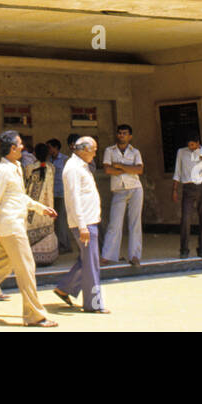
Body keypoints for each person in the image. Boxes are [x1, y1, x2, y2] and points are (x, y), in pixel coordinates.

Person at [0, 131, 58, 327]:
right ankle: (34, 315)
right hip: (11, 227)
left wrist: (40, 208)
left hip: (12, 225)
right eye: (20, 144)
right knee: (27, 268)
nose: (23, 147)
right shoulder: (2, 171)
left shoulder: (14, 167)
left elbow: (19, 197)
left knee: (1, 268)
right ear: (12, 148)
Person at [54, 136, 109, 314]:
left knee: (86, 261)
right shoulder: (72, 168)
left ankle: (65, 288)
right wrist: (82, 225)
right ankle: (93, 304)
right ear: (84, 150)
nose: (95, 153)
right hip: (84, 223)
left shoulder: (81, 166)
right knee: (92, 264)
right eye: (93, 150)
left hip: (90, 220)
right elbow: (73, 198)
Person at [101, 124, 144, 267]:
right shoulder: (109, 150)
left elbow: (139, 169)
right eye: (119, 133)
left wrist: (120, 166)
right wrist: (128, 169)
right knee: (115, 223)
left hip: (136, 189)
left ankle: (134, 256)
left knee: (135, 223)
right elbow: (107, 169)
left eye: (125, 133)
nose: (121, 135)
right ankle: (107, 255)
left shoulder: (135, 151)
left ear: (130, 136)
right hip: (119, 189)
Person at [172, 134, 202, 258]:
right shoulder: (181, 152)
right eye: (189, 145)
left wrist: (200, 156)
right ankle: (184, 249)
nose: (190, 147)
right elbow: (177, 171)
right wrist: (174, 189)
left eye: (193, 145)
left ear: (198, 143)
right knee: (185, 219)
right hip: (188, 187)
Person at [24, 142, 58, 266]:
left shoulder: (29, 168)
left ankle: (33, 258)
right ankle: (48, 256)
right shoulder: (51, 168)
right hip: (48, 205)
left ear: (35, 154)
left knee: (31, 228)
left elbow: (26, 185)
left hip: (34, 207)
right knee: (47, 227)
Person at [47, 138, 72, 254]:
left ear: (56, 147)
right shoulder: (49, 160)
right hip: (52, 194)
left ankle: (64, 245)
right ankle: (62, 244)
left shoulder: (65, 160)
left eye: (50, 147)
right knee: (56, 221)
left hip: (62, 193)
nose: (49, 150)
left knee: (61, 221)